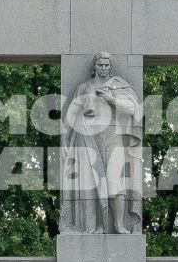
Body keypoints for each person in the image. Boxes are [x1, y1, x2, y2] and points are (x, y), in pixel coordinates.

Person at [61, 53, 145, 234]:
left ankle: (119, 224)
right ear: (95, 66)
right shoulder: (84, 88)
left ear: (110, 66)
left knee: (116, 181)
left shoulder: (119, 85)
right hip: (88, 135)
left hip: (113, 135)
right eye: (100, 65)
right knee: (92, 181)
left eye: (107, 65)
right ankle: (97, 225)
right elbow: (72, 114)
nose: (104, 68)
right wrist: (65, 139)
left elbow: (133, 109)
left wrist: (111, 99)